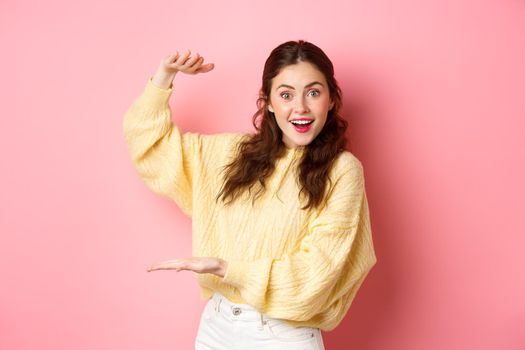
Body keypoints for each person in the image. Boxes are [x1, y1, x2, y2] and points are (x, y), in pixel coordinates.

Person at [123, 40, 377, 350]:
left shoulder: (343, 172)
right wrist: (163, 78)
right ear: (268, 102)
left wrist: (228, 269)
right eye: (286, 95)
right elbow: (153, 149)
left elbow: (318, 272)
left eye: (313, 92)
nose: (300, 107)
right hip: (216, 328)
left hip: (284, 334)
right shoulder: (230, 154)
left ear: (331, 100)